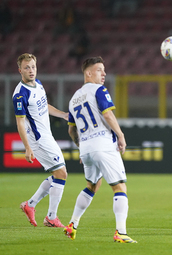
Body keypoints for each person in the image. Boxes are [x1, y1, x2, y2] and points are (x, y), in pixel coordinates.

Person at [64, 56, 137, 243]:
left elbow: (71, 130)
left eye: (104, 70)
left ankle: (73, 224)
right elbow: (108, 113)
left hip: (86, 148)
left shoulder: (73, 99)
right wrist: (120, 135)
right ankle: (120, 232)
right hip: (103, 144)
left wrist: (82, 148)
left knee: (92, 186)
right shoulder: (99, 90)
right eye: (99, 70)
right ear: (88, 73)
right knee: (120, 187)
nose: (104, 73)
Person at [13, 53, 69, 228]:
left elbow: (44, 106)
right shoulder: (20, 95)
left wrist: (62, 114)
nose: (31, 70)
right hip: (38, 140)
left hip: (47, 136)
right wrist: (27, 147)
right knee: (62, 174)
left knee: (57, 174)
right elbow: (20, 123)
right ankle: (51, 217)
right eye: (27, 67)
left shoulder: (38, 84)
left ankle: (30, 205)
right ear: (19, 69)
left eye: (33, 67)